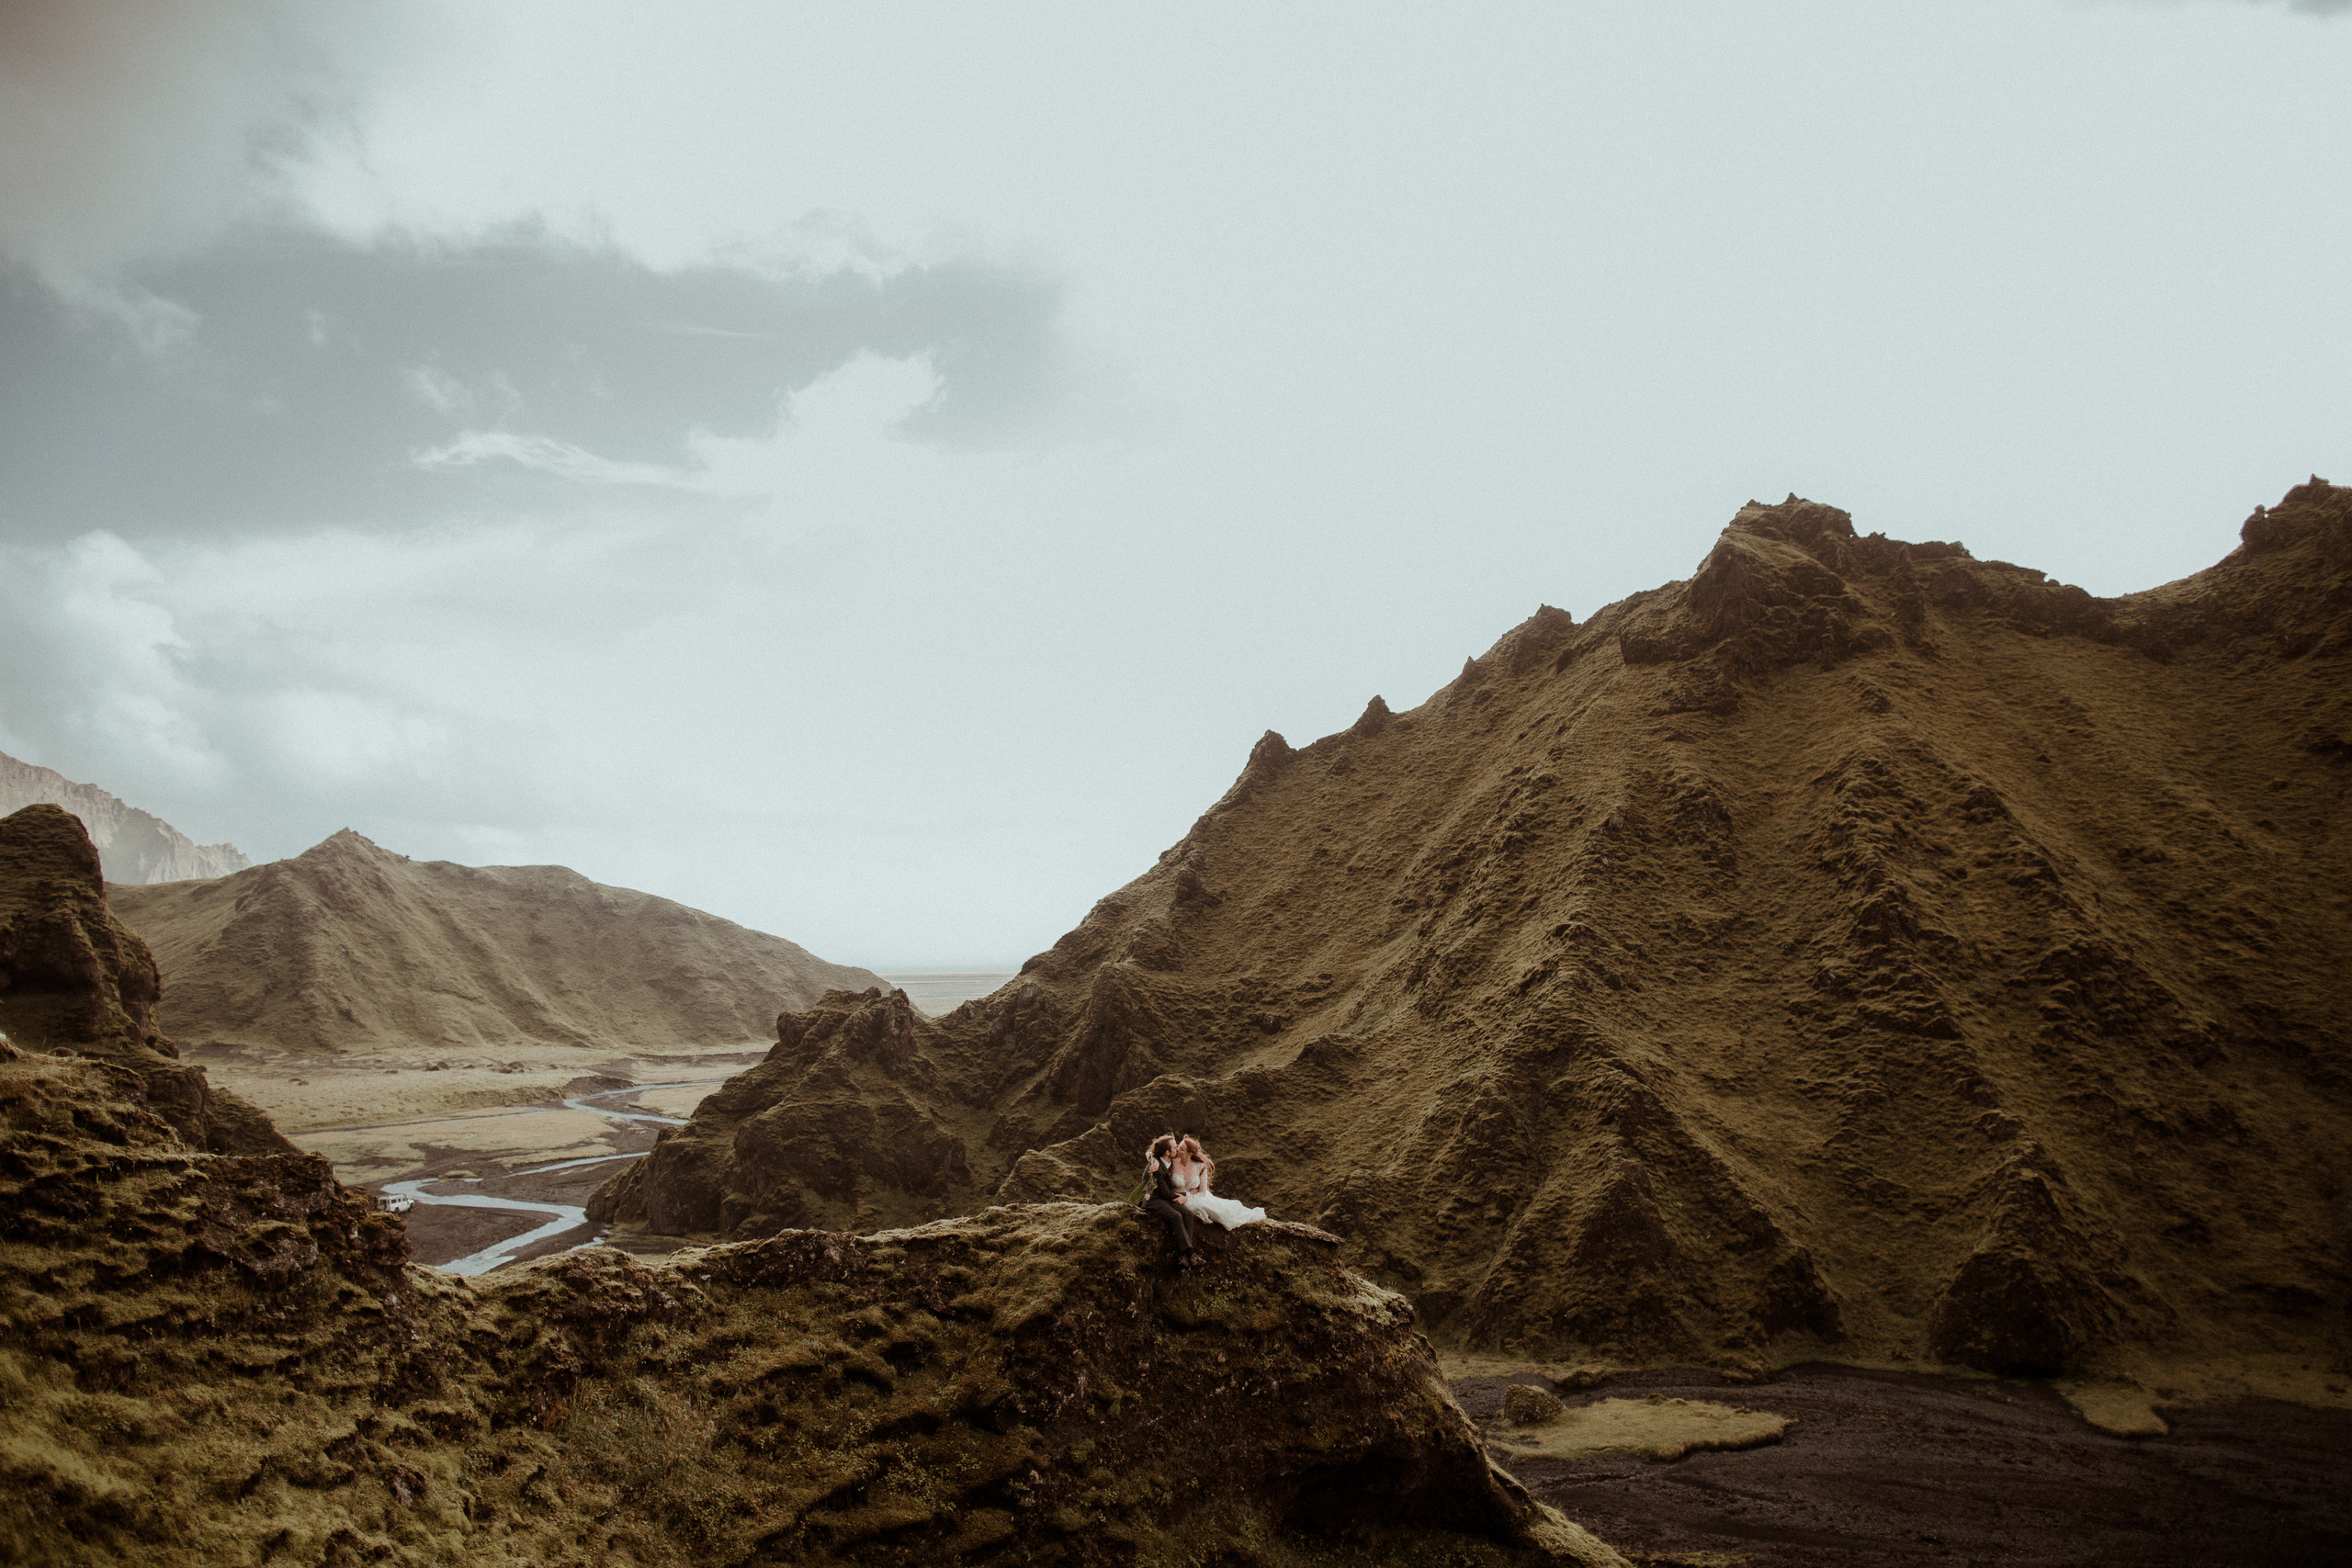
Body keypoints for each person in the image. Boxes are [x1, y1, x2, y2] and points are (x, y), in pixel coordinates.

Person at [1170, 1132, 1266, 1231]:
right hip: (1178, 1195)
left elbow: (1202, 1192)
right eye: (1178, 1146)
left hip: (1196, 1197)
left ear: (1189, 1154)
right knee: (1197, 1207)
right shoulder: (1172, 1161)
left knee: (1217, 1210)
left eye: (1181, 1149)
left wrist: (1187, 1197)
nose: (1177, 1149)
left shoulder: (1200, 1166)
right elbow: (1156, 1155)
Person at [1139, 1132, 1201, 1269]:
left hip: (1163, 1199)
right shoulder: (1156, 1168)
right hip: (1153, 1201)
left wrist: (1186, 1196)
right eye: (1174, 1147)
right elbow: (1166, 1193)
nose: (1177, 1149)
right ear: (1167, 1152)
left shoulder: (1165, 1162)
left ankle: (1184, 1257)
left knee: (1188, 1214)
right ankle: (1190, 1253)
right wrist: (1185, 1196)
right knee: (1176, 1216)